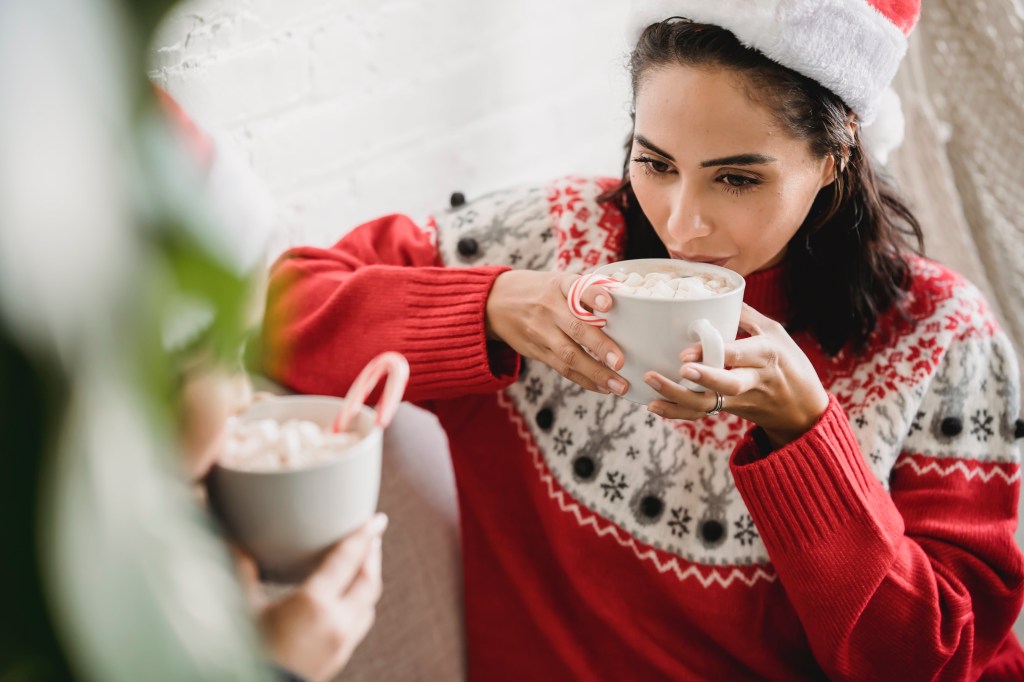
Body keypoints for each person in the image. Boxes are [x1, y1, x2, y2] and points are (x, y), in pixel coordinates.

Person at [260, 1, 1024, 679]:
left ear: (834, 157)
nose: (683, 224)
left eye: (737, 179)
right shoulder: (550, 242)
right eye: (655, 163)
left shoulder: (941, 338)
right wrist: (492, 304)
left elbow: (934, 659)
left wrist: (805, 436)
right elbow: (281, 313)